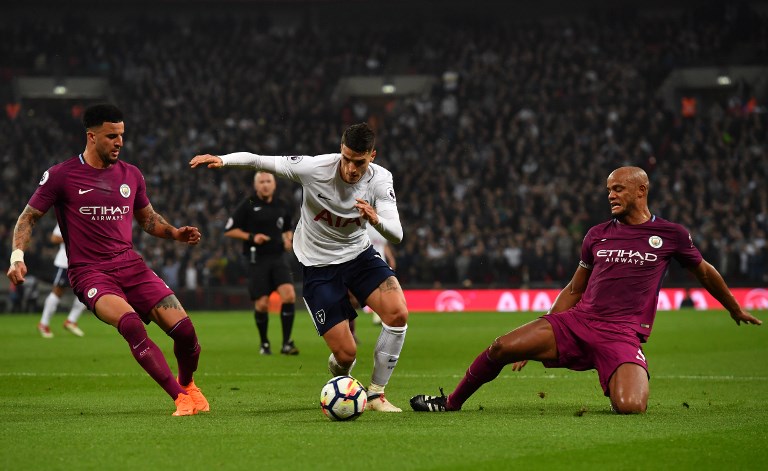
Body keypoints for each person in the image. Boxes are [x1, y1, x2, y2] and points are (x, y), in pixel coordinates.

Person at [410, 166, 761, 414]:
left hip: (622, 333)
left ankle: (616, 367)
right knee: (503, 346)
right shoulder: (596, 234)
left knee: (630, 407)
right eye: (609, 189)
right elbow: (575, 288)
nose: (610, 195)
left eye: (618, 188)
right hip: (579, 321)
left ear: (641, 190)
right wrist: (543, 327)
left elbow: (705, 272)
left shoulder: (671, 234)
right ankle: (451, 402)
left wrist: (733, 307)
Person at [6, 104, 209, 417]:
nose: (119, 142)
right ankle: (179, 397)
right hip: (91, 274)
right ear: (91, 136)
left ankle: (189, 384)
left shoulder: (131, 174)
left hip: (131, 266)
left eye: (122, 135)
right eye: (111, 136)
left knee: (185, 332)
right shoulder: (62, 176)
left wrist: (175, 234)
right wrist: (17, 256)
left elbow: (148, 219)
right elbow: (28, 217)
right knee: (131, 325)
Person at [191, 122, 409, 412]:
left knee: (398, 314)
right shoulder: (314, 169)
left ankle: (375, 395)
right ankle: (341, 372)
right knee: (346, 354)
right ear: (340, 151)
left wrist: (375, 219)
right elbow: (259, 160)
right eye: (346, 158)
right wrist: (224, 160)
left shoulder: (380, 180)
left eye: (359, 161)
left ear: (372, 156)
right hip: (318, 264)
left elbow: (397, 233)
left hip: (359, 256)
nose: (350, 168)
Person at [224, 170, 299, 356]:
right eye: (262, 181)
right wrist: (251, 236)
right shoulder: (248, 203)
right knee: (262, 304)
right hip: (257, 260)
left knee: (289, 295)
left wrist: (288, 240)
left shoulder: (282, 204)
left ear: (274, 184)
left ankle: (286, 343)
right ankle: (265, 343)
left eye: (268, 181)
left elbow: (287, 229)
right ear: (256, 185)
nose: (265, 184)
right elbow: (229, 230)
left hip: (278, 257)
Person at [37, 224, 88, 338]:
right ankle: (43, 323)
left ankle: (71, 321)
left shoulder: (87, 217)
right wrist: (74, 238)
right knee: (57, 292)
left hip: (83, 262)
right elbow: (54, 238)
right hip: (65, 262)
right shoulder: (65, 217)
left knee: (87, 293)